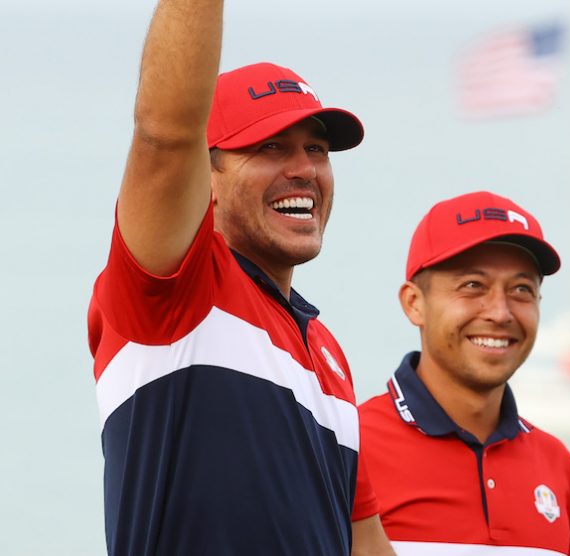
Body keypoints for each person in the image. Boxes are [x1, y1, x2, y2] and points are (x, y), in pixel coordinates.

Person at [87, 1, 393, 554]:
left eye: (317, 149)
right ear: (205, 177)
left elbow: (363, 542)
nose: (305, 169)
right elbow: (165, 135)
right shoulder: (175, 290)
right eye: (270, 146)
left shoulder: (326, 352)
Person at [358, 191, 570, 555]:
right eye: (473, 286)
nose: (500, 312)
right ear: (414, 304)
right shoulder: (348, 448)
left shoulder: (558, 466)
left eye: (521, 289)